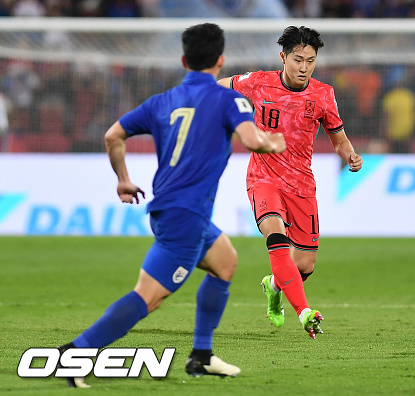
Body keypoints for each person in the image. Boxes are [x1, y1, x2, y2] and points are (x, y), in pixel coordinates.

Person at [56, 23, 285, 388]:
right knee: (148, 298)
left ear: (184, 60)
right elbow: (251, 140)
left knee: (225, 262)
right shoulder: (229, 99)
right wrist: (273, 142)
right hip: (187, 217)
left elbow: (112, 135)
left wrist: (122, 178)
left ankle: (201, 356)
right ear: (221, 61)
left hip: (170, 208)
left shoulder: (161, 101)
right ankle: (76, 353)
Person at [218, 25, 363, 339]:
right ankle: (304, 311)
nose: (304, 67)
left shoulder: (323, 94)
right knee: (276, 236)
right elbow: (219, 86)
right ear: (283, 57)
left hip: (301, 184)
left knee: (305, 265)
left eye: (310, 60)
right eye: (298, 59)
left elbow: (339, 140)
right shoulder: (256, 83)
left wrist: (349, 155)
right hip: (263, 178)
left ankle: (274, 285)